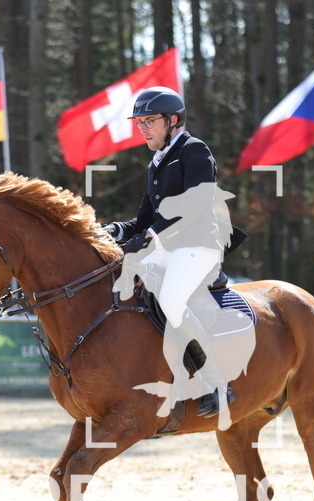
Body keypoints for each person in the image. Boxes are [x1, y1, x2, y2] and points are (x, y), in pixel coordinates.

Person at [104, 86, 235, 420]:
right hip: (166, 247)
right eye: (140, 122)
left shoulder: (194, 151)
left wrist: (149, 236)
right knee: (119, 282)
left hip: (197, 246)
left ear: (173, 120)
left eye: (150, 121)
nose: (143, 128)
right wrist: (118, 230)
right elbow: (146, 217)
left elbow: (194, 206)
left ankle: (216, 382)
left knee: (171, 300)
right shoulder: (156, 163)